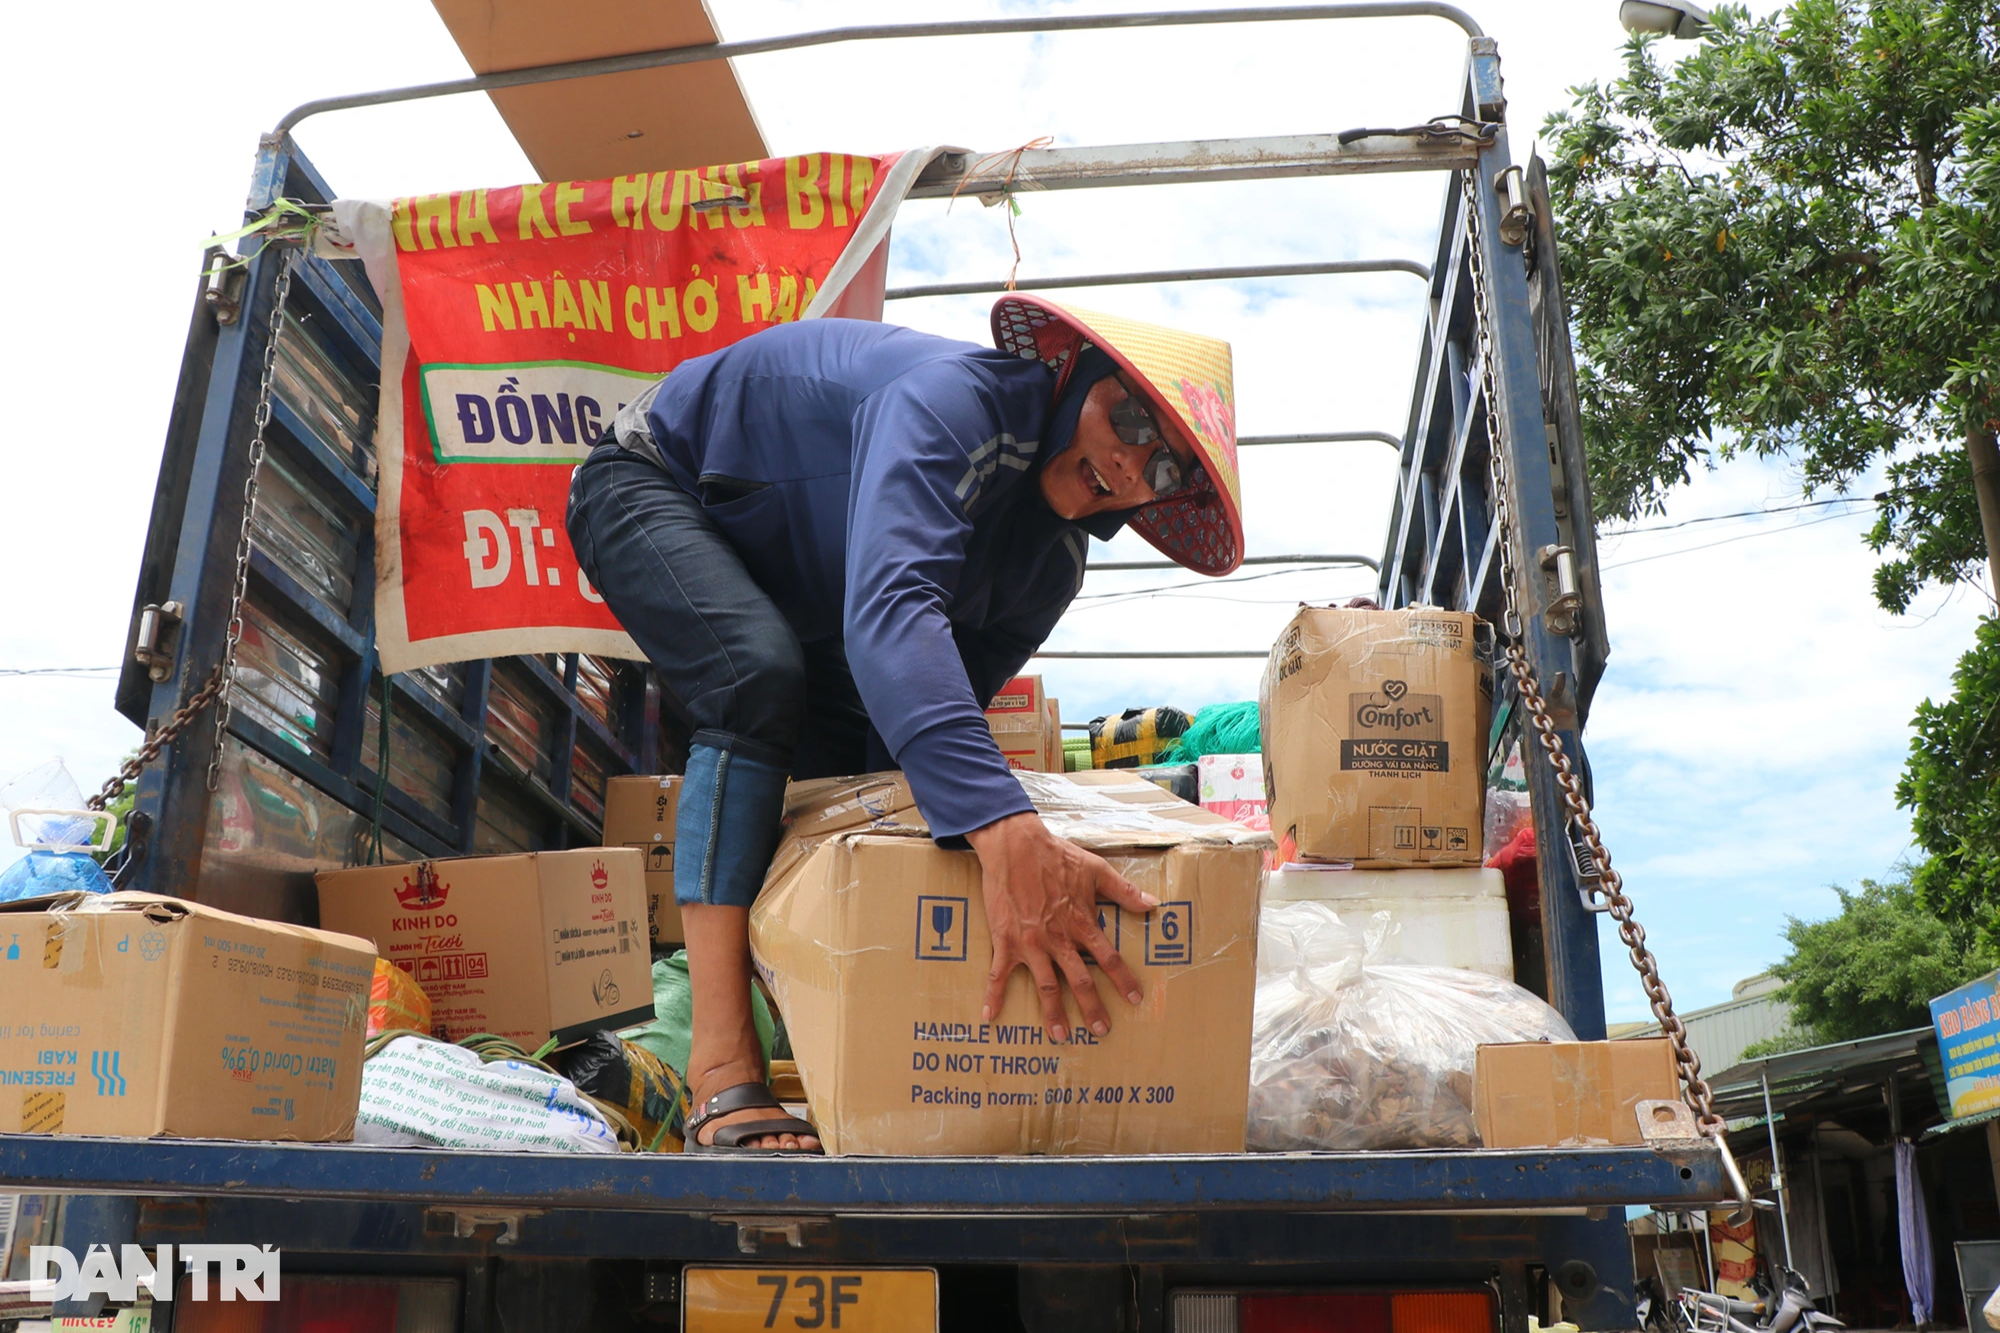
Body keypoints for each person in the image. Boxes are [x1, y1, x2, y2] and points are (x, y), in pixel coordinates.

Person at [565, 295, 1242, 1153]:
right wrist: (1006, 833)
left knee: (868, 784)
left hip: (812, 599)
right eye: (1132, 415)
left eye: (1167, 468)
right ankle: (719, 1068)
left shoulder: (1049, 570)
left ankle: (841, 1060)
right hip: (652, 480)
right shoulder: (955, 402)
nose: (1133, 459)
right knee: (754, 679)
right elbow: (891, 612)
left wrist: (984, 838)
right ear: (1076, 379)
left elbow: (929, 716)